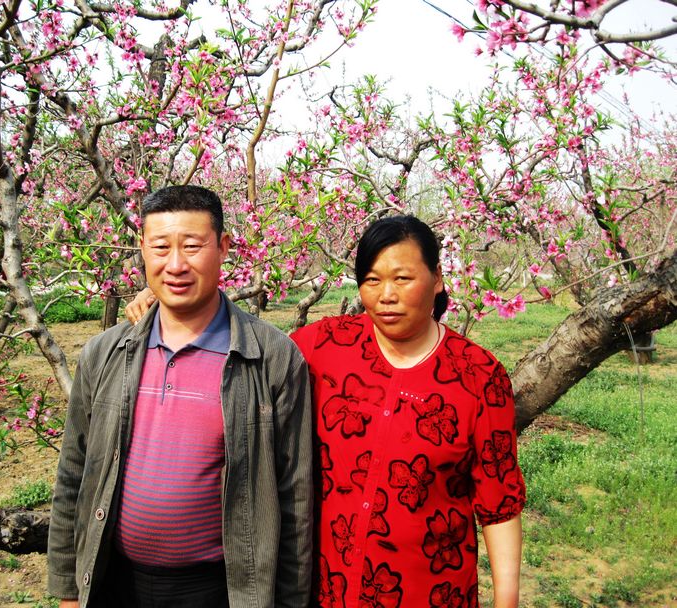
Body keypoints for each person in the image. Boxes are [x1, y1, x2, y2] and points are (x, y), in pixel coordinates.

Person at [126, 214, 525, 607]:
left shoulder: (478, 375)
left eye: (402, 279)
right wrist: (172, 306)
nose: (386, 295)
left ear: (437, 278)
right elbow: (249, 351)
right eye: (371, 281)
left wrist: (506, 598)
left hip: (430, 590)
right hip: (325, 588)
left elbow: (498, 504)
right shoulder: (326, 345)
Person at [48, 185, 313, 608]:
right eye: (160, 247)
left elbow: (294, 496)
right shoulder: (105, 353)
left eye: (192, 246)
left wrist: (289, 600)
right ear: (142, 249)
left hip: (219, 589)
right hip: (114, 581)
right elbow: (74, 475)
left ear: (223, 247)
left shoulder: (272, 358)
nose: (175, 265)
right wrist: (67, 588)